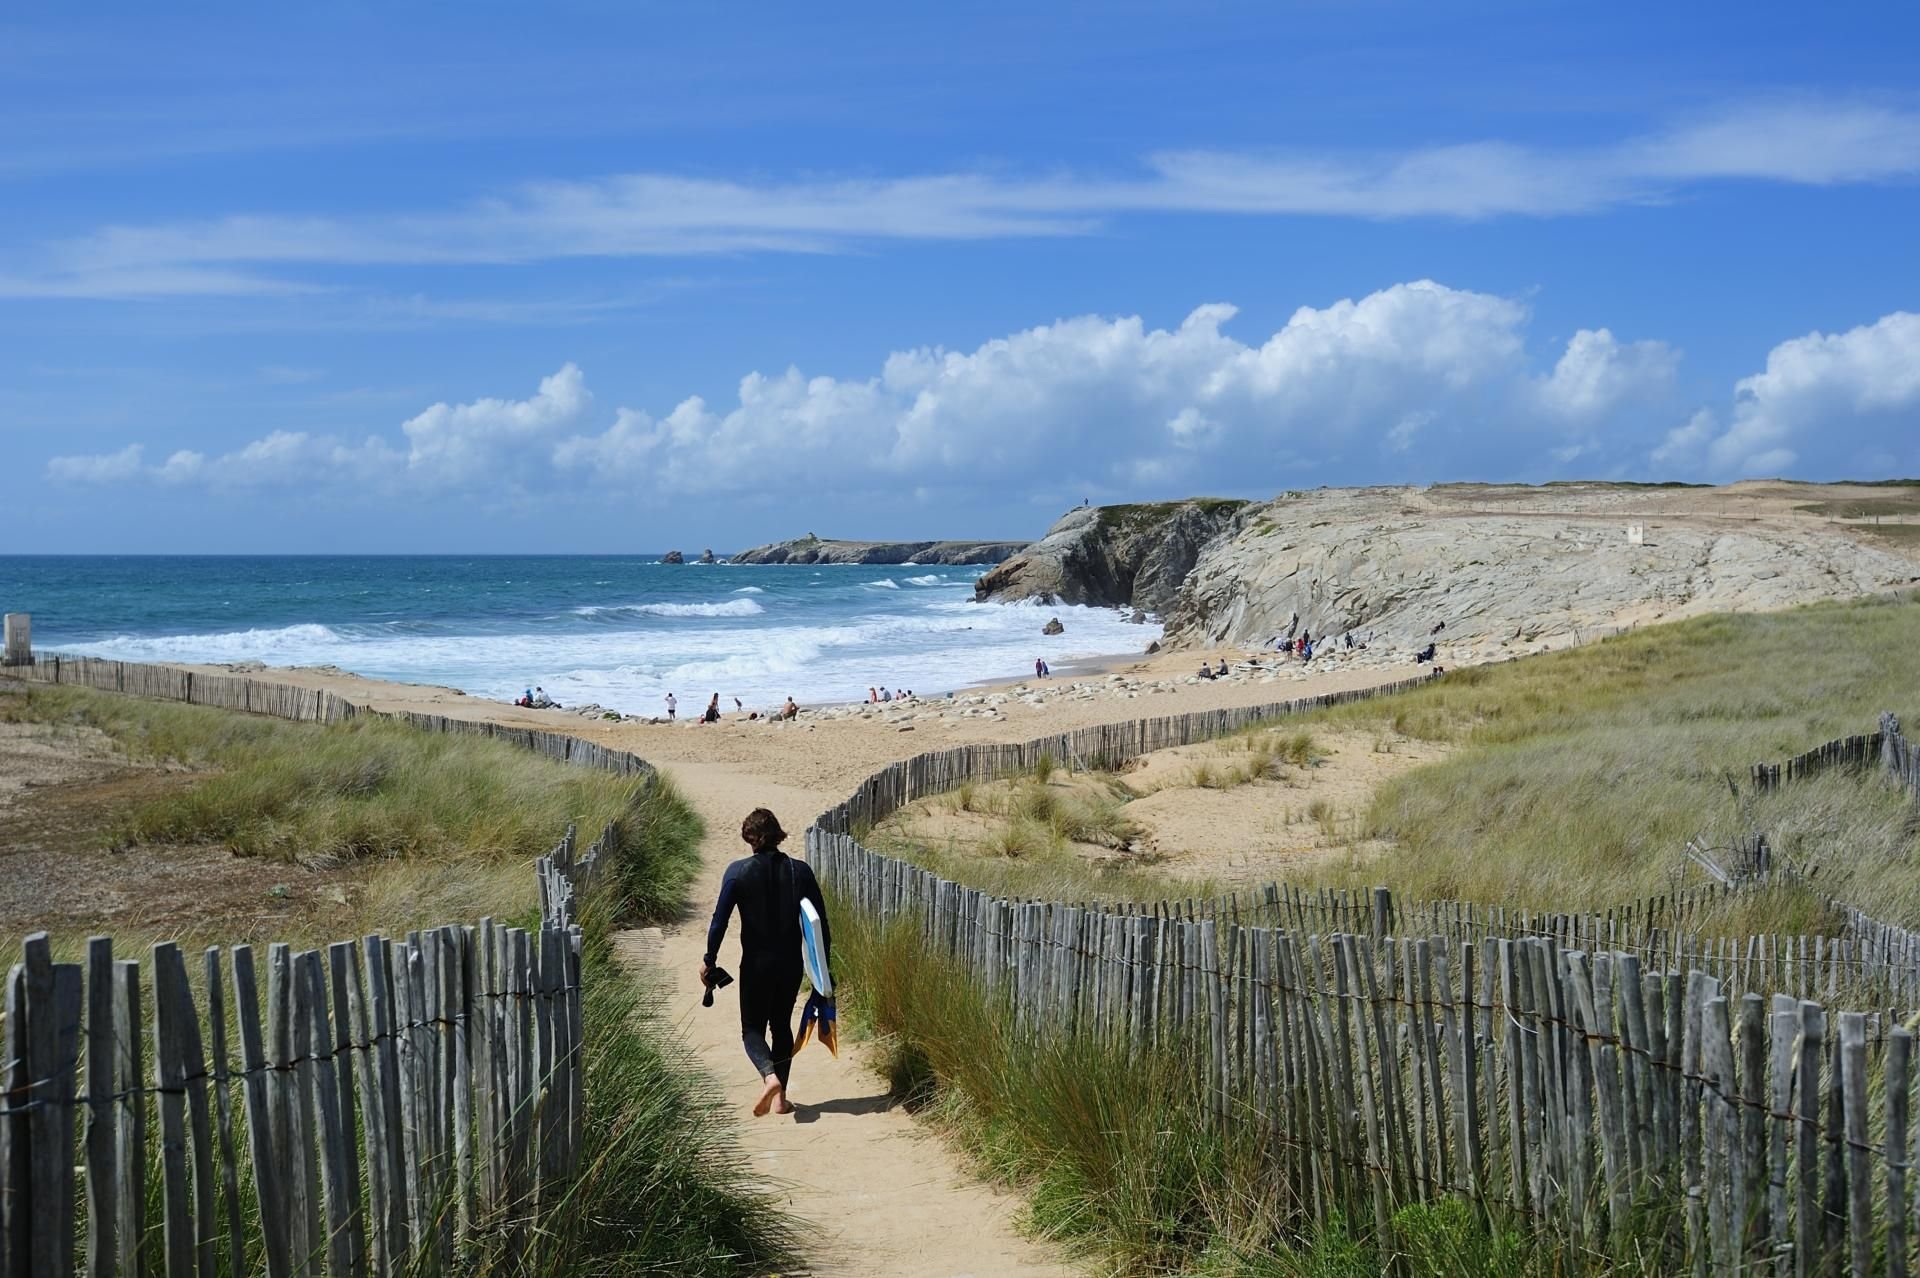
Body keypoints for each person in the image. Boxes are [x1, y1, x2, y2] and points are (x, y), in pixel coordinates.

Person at [701, 808, 831, 1117]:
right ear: (778, 835)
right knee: (781, 1027)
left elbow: (719, 922)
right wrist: (824, 971)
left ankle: (768, 1077)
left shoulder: (737, 872)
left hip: (756, 964)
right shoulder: (800, 871)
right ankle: (780, 1099)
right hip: (789, 964)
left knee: (751, 1029)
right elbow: (820, 924)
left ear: (749, 838)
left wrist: (709, 960)